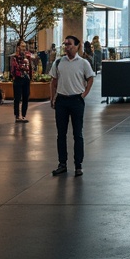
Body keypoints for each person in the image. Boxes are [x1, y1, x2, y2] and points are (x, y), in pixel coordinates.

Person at [50, 35, 95, 177]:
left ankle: (78, 165)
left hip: (76, 101)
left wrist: (84, 94)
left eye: (69, 44)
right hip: (61, 101)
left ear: (77, 46)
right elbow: (53, 81)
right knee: (61, 134)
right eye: (65, 44)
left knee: (78, 134)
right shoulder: (58, 62)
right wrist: (53, 98)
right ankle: (62, 164)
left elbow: (90, 78)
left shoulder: (83, 63)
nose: (66, 46)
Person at [10, 40, 33, 122]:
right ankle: (17, 115)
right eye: (22, 46)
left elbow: (30, 66)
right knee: (17, 98)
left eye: (25, 46)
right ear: (18, 47)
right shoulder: (14, 57)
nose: (24, 48)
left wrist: (30, 76)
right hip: (18, 79)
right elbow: (14, 68)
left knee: (26, 97)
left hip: (26, 79)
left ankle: (23, 115)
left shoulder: (28, 56)